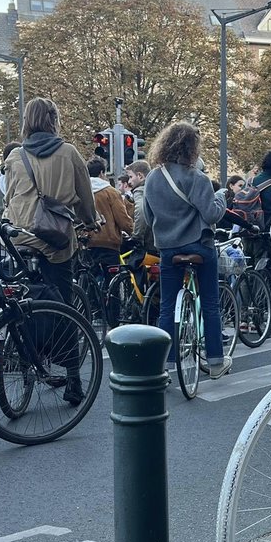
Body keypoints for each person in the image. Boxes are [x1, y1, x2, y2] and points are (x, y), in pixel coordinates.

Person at [2, 99, 98, 404]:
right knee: (64, 309)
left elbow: (9, 197)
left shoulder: (15, 155)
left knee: (22, 307)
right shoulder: (69, 152)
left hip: (21, 241)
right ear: (54, 120)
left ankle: (28, 361)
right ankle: (73, 380)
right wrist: (91, 221)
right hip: (56, 242)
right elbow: (84, 198)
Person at [142, 121, 231, 378]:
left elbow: (148, 218)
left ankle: (166, 365)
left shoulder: (153, 177)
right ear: (193, 148)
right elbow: (212, 214)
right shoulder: (197, 178)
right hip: (199, 247)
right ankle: (215, 361)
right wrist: (222, 197)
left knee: (167, 307)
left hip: (168, 249)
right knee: (211, 305)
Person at [85, 156, 133, 272]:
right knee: (110, 280)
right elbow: (123, 219)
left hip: (87, 242)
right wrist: (134, 233)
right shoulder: (110, 192)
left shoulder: (82, 190)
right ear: (102, 172)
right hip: (108, 243)